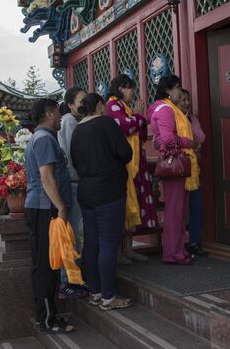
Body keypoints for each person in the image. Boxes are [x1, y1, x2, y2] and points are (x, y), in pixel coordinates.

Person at [71, 93, 133, 311]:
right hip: (109, 190)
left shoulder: (78, 129)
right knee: (108, 243)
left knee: (92, 242)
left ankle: (95, 292)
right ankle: (108, 296)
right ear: (98, 105)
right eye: (104, 106)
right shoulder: (106, 123)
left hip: (86, 190)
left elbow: (75, 161)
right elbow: (126, 153)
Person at [25, 98, 75, 334]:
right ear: (49, 114)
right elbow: (46, 177)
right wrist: (61, 208)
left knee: (46, 262)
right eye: (57, 112)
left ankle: (47, 315)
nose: (59, 116)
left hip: (43, 207)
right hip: (45, 208)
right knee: (46, 264)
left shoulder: (41, 137)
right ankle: (47, 319)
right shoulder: (44, 138)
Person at [147, 75, 200, 265]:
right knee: (175, 212)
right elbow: (168, 140)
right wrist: (190, 142)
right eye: (177, 87)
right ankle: (173, 253)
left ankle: (178, 250)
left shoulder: (168, 109)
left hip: (179, 163)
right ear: (169, 90)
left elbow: (159, 139)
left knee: (179, 210)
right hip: (175, 163)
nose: (180, 91)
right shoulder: (167, 110)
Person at [106, 74, 158, 265]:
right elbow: (128, 127)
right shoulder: (113, 105)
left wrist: (137, 118)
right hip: (124, 165)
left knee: (134, 206)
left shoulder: (125, 108)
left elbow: (142, 131)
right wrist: (137, 116)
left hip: (136, 163)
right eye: (130, 88)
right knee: (124, 207)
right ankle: (119, 252)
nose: (133, 92)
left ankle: (129, 249)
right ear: (120, 88)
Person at [57, 86, 88, 298]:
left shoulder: (76, 121)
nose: (84, 104)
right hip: (74, 182)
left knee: (78, 233)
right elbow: (71, 154)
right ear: (70, 104)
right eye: (81, 100)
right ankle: (69, 281)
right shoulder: (69, 121)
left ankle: (75, 278)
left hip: (78, 182)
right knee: (74, 234)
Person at [178, 89, 208, 257]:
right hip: (181, 167)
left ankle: (194, 241)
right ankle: (180, 243)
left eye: (187, 100)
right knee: (180, 208)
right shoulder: (175, 119)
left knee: (196, 206)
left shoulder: (193, 119)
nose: (186, 103)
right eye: (182, 100)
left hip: (195, 168)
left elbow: (200, 138)